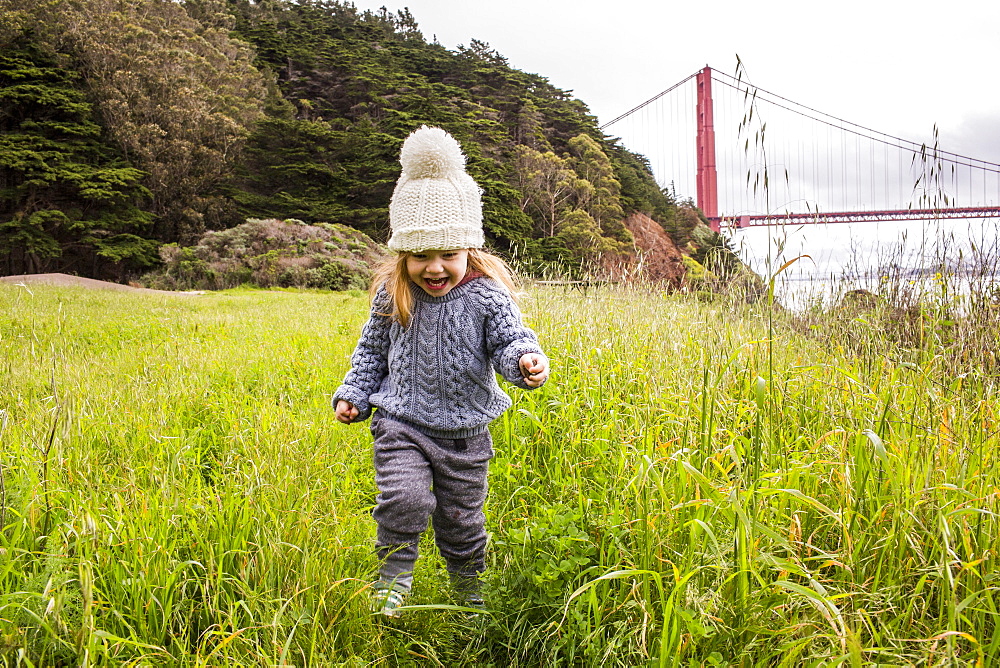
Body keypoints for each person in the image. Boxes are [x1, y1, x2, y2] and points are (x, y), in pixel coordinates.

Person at [332, 125, 549, 619]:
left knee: (461, 520)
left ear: (469, 250)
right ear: (402, 255)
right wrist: (355, 393)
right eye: (420, 256)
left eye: (448, 254)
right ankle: (393, 579)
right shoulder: (394, 294)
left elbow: (509, 340)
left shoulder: (486, 294)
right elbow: (371, 352)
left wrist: (524, 362)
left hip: (466, 434)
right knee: (404, 500)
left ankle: (469, 588)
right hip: (401, 422)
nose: (434, 268)